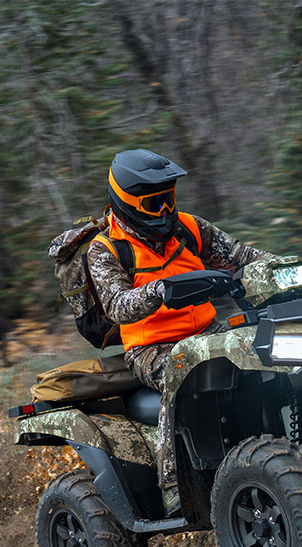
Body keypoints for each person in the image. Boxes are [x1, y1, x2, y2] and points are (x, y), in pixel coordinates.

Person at [88, 149, 276, 515]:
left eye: (168, 199)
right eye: (153, 202)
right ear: (128, 203)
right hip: (152, 348)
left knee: (271, 345)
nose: (164, 211)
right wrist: (158, 292)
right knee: (182, 370)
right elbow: (117, 305)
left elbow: (242, 254)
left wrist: (284, 266)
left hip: (209, 330)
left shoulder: (188, 228)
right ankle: (176, 485)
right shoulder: (106, 249)